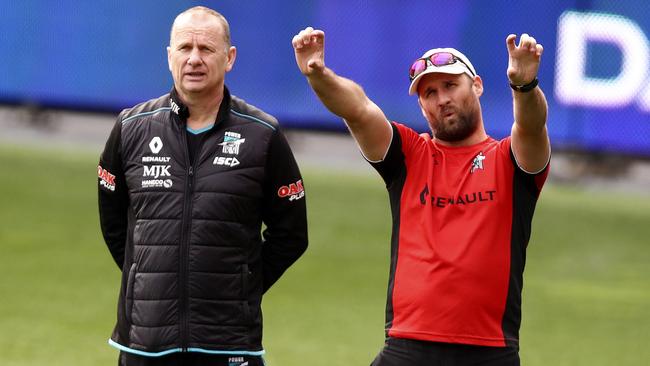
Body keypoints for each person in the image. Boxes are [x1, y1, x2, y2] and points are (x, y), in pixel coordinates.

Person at [293, 27, 550, 366]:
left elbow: (531, 125)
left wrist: (524, 85)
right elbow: (358, 110)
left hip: (490, 351)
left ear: (477, 86)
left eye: (450, 85)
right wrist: (319, 75)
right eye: (429, 92)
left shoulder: (510, 159)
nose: (441, 99)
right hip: (407, 346)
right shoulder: (409, 154)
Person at [97, 7, 308, 366]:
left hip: (229, 345)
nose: (194, 59)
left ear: (229, 58)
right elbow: (115, 225)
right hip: (145, 343)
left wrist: (241, 286)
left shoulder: (263, 134)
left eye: (206, 49)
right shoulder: (130, 128)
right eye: (184, 48)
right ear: (169, 56)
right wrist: (146, 275)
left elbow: (291, 235)